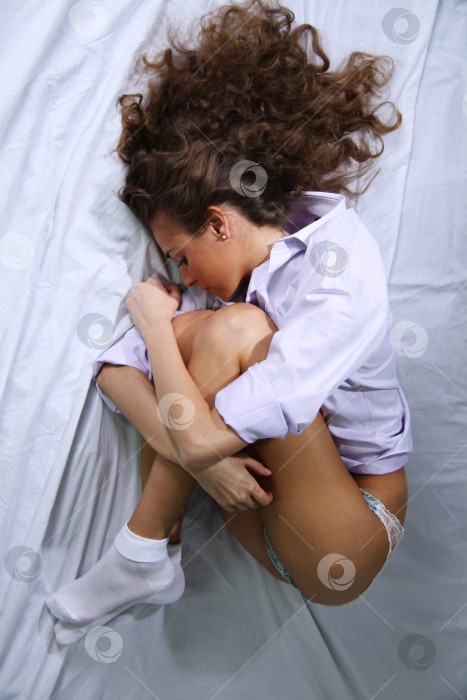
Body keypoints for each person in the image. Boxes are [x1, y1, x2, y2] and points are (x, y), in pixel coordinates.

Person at [46, 0, 412, 645]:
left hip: (348, 535)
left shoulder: (337, 268)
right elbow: (115, 374)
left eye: (181, 258)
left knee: (233, 331)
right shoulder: (243, 283)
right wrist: (207, 462)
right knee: (214, 337)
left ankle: (142, 549)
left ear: (218, 222)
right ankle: (150, 553)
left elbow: (207, 423)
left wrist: (157, 331)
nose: (183, 278)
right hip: (260, 511)